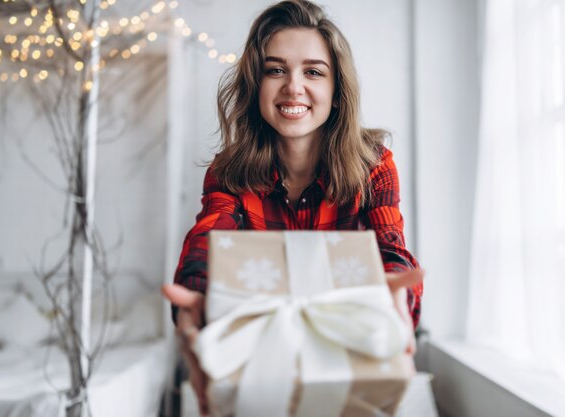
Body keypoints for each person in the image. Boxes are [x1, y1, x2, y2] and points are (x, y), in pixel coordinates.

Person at [162, 1, 424, 415]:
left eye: (313, 72)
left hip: (344, 349)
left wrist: (398, 304)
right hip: (262, 358)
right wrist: (193, 300)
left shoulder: (374, 165)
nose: (293, 87)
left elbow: (390, 248)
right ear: (256, 84)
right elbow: (208, 240)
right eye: (276, 69)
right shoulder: (228, 171)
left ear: (337, 91)